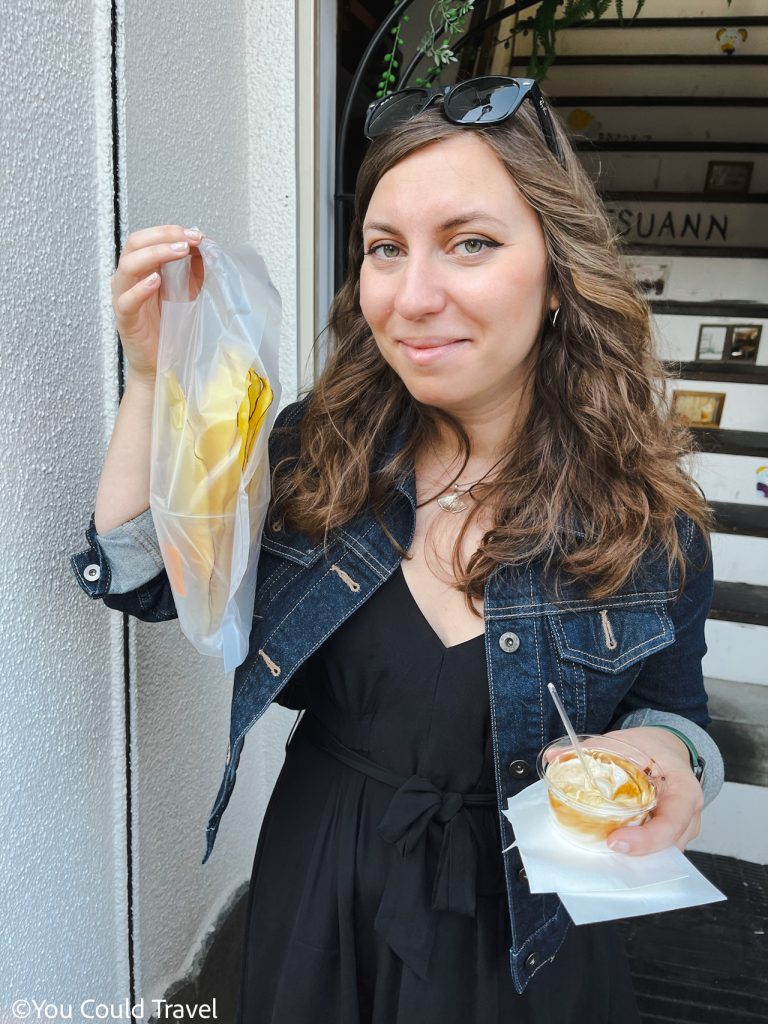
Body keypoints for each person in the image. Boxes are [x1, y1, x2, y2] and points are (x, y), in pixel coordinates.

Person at [71, 77, 724, 1023]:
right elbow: (141, 577)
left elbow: (682, 716)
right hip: (320, 895)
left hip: (529, 930)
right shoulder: (317, 453)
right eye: (386, 250)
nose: (413, 297)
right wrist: (148, 375)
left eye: (472, 243)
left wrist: (666, 763)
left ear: (558, 273)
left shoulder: (649, 518)